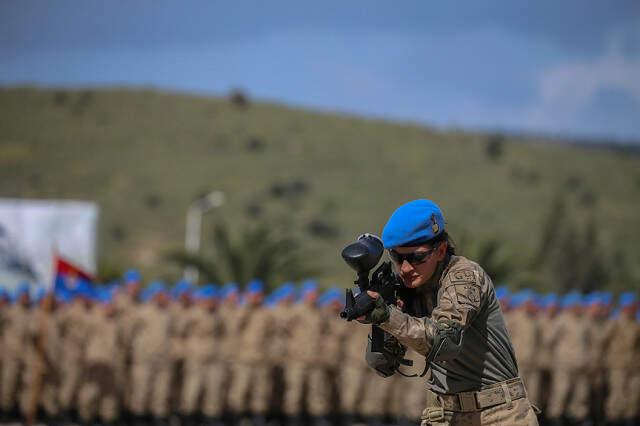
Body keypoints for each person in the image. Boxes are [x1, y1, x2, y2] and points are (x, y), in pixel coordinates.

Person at [351, 199, 538, 426]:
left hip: (498, 415)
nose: (406, 268)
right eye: (398, 258)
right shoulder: (408, 287)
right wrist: (380, 315)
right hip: (443, 414)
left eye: (417, 257)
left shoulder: (463, 276)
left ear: (440, 250)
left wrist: (388, 316)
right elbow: (382, 364)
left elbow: (445, 343)